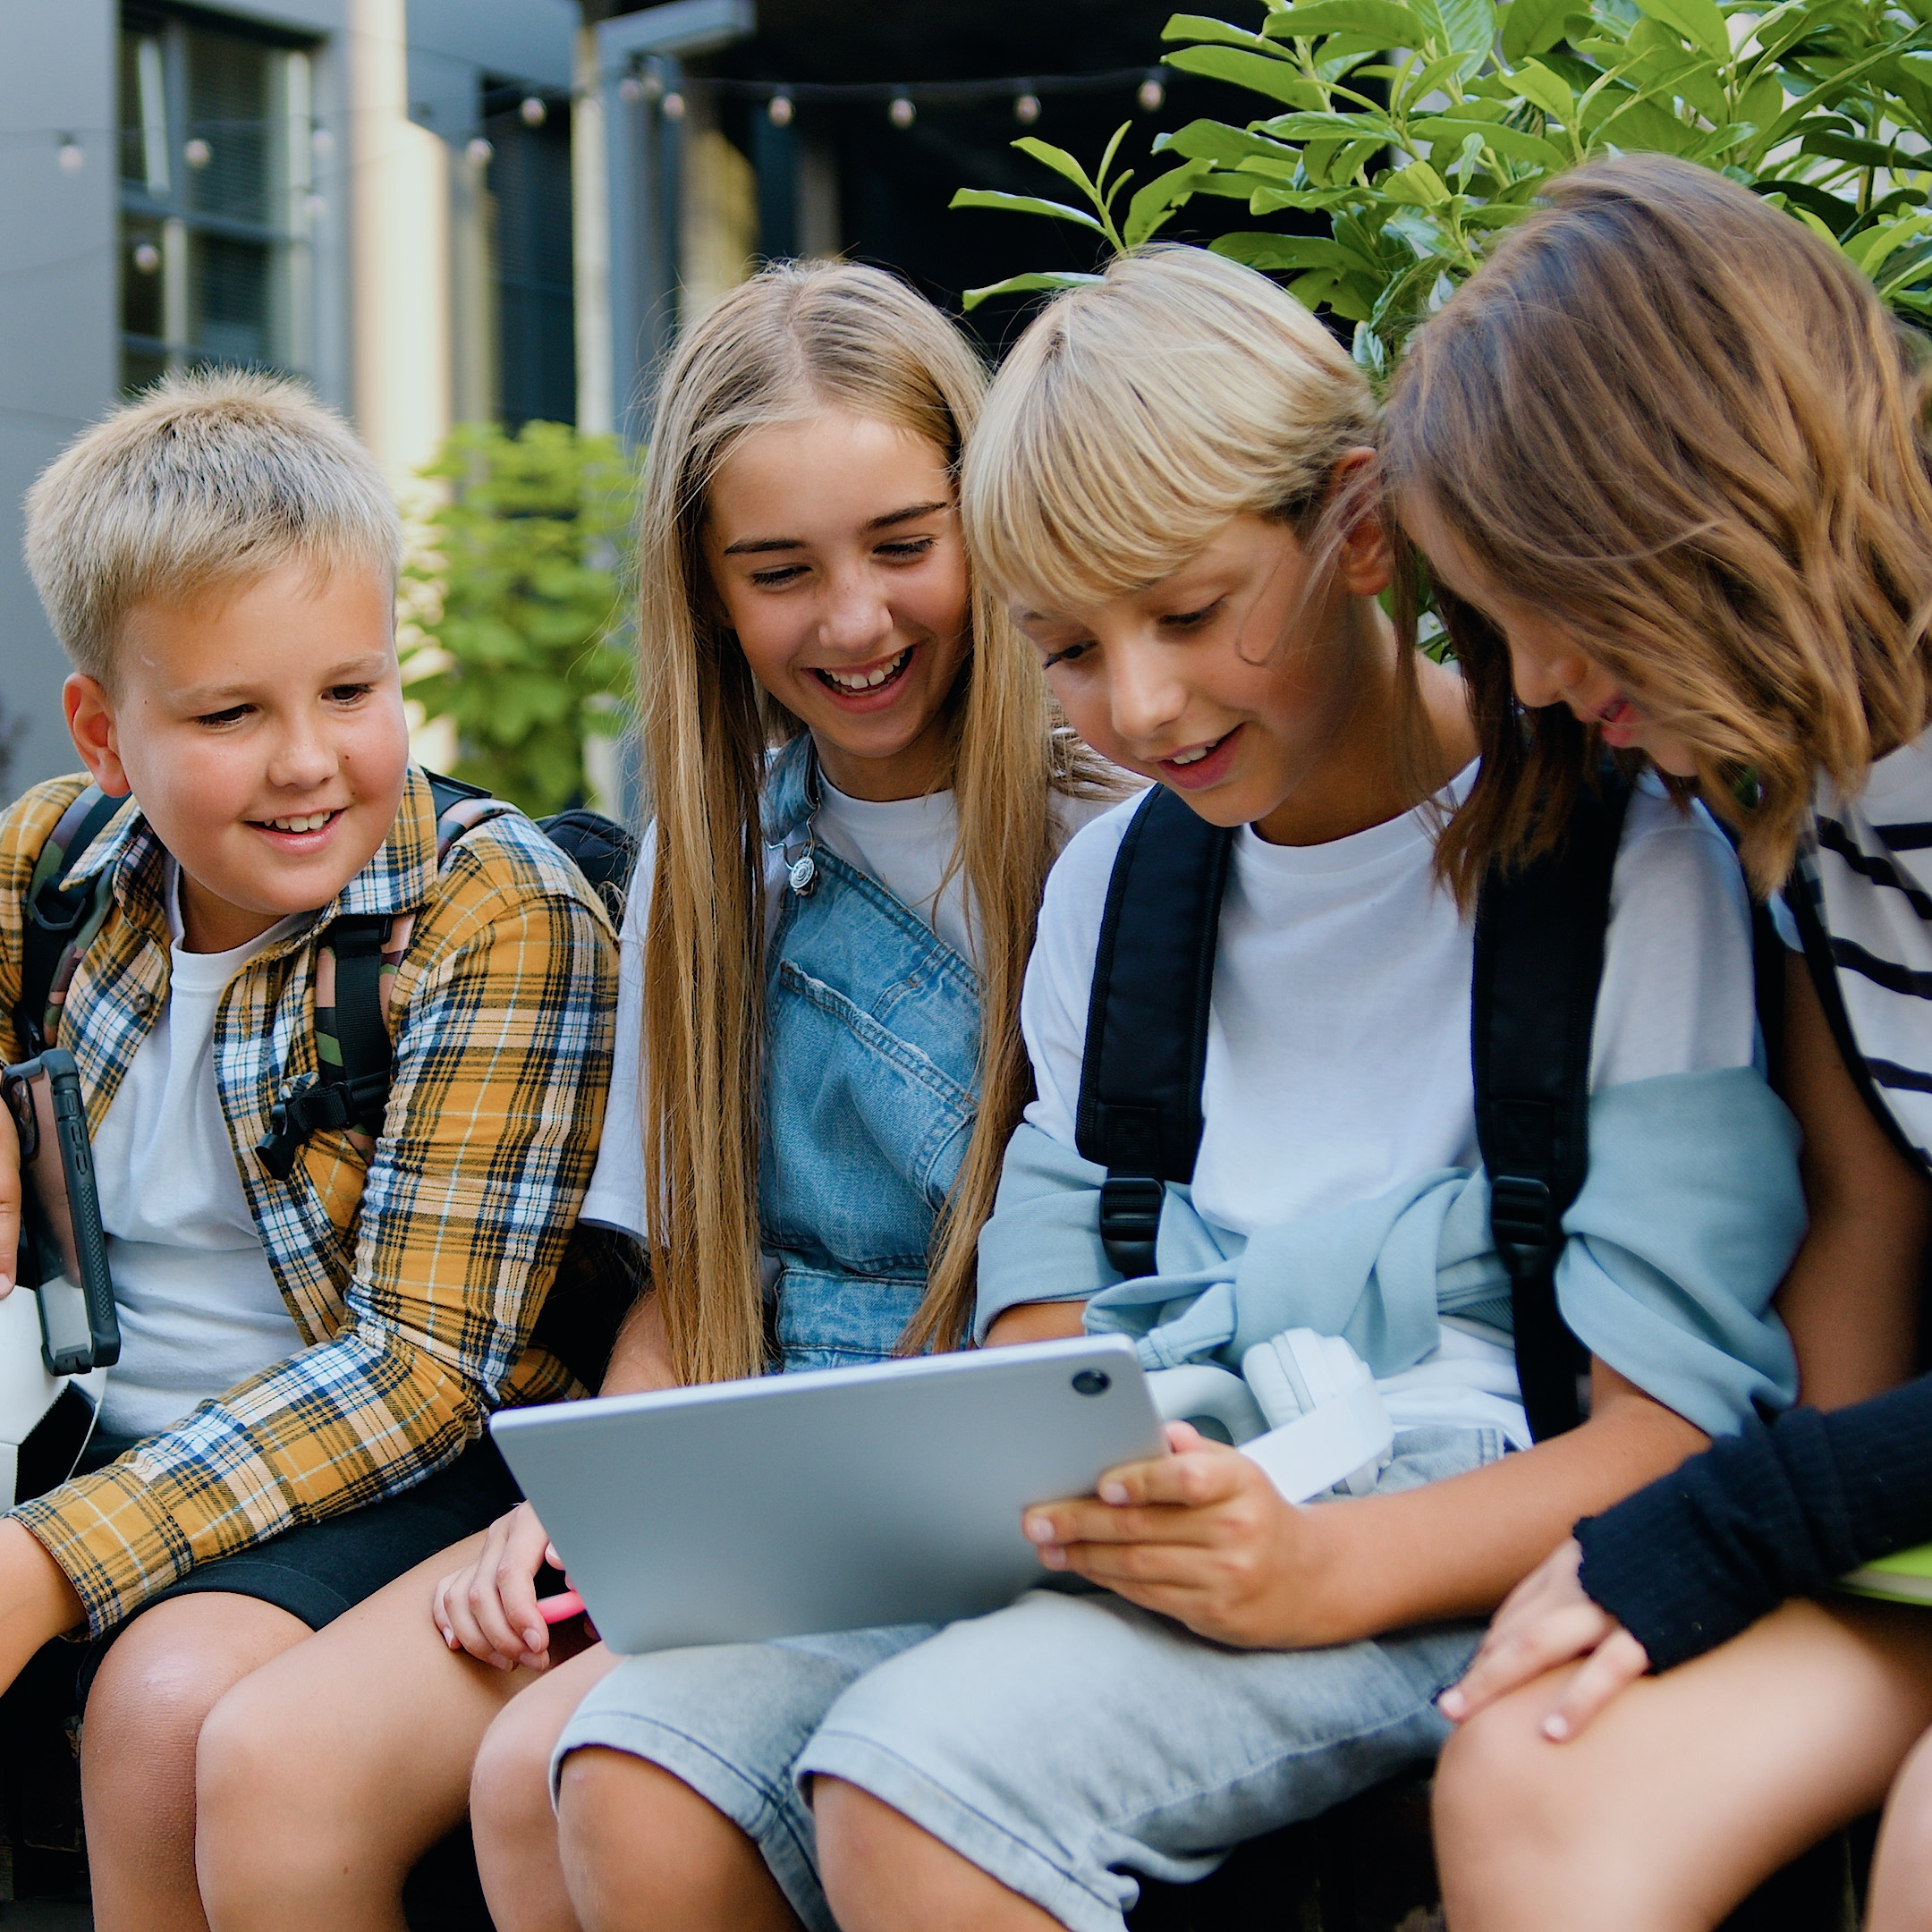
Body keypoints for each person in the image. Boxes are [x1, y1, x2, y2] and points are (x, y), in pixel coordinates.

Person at [518, 245, 1811, 1932]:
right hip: (1171, 1500)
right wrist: (1115, 1476)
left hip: (1456, 1521)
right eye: (1066, 652)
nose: (1139, 707)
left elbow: (1670, 1427)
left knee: (921, 1789)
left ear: (1357, 528)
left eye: (1194, 618)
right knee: (642, 1770)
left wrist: (1312, 1564)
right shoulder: (1119, 886)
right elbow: (1042, 1329)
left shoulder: (1619, 870)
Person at [182, 259, 1118, 1932]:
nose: (854, 622)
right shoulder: (716, 857)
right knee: (275, 1759)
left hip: (1002, 1477)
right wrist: (576, 1508)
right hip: (741, 1485)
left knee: (549, 1768)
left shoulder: (1119, 818)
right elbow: (687, 1281)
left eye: (907, 546)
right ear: (706, 590)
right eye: (779, 572)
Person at [1376, 153, 1932, 1932]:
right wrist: (1783, 1538)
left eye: (1537, 596)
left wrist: (1754, 1520)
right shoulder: (1792, 802)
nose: (1528, 678)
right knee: (1541, 1763)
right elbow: (1867, 1220)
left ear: (1667, 500)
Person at [0, 369, 617, 1932]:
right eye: (227, 714)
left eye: (351, 691)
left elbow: (423, 1369)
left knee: (161, 1713)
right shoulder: (49, 869)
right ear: (104, 733)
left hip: (403, 1461)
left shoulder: (495, 915)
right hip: (96, 1439)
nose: (307, 763)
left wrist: (45, 1565)